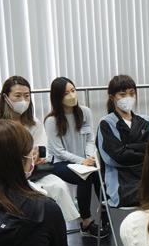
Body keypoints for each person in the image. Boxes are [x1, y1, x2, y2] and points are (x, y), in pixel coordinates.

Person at [0, 76, 86, 229]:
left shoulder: (34, 124)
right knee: (29, 198)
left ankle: (57, 229)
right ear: (5, 97)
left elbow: (42, 152)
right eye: (18, 96)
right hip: (4, 178)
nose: (23, 100)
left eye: (26, 96)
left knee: (59, 186)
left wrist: (37, 157)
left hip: (33, 173)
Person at [44, 76, 107, 235]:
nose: (72, 95)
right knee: (84, 176)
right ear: (57, 97)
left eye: (73, 90)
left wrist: (89, 157)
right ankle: (86, 222)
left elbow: (90, 139)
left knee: (98, 172)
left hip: (84, 159)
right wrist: (82, 161)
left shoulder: (85, 112)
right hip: (59, 162)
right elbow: (59, 151)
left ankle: (105, 212)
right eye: (66, 93)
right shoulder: (51, 120)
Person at [97, 75, 149, 207]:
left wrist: (128, 147)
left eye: (132, 93)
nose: (128, 97)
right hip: (122, 182)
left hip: (148, 174)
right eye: (122, 94)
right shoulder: (106, 123)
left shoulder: (146, 121)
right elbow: (118, 156)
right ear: (112, 97)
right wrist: (143, 148)